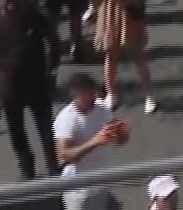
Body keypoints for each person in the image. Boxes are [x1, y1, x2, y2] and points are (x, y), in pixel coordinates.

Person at [0, 0, 63, 180]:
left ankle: (53, 164)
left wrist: (52, 66)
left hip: (37, 81)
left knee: (45, 125)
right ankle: (26, 165)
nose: (10, 2)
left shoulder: (34, 17)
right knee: (16, 128)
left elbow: (53, 40)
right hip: (9, 87)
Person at [55, 72, 129, 210]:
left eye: (94, 93)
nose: (94, 98)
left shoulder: (101, 108)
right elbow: (64, 156)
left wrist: (121, 133)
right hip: (80, 191)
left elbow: (119, 140)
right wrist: (94, 142)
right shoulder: (68, 119)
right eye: (88, 94)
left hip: (103, 183)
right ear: (76, 95)